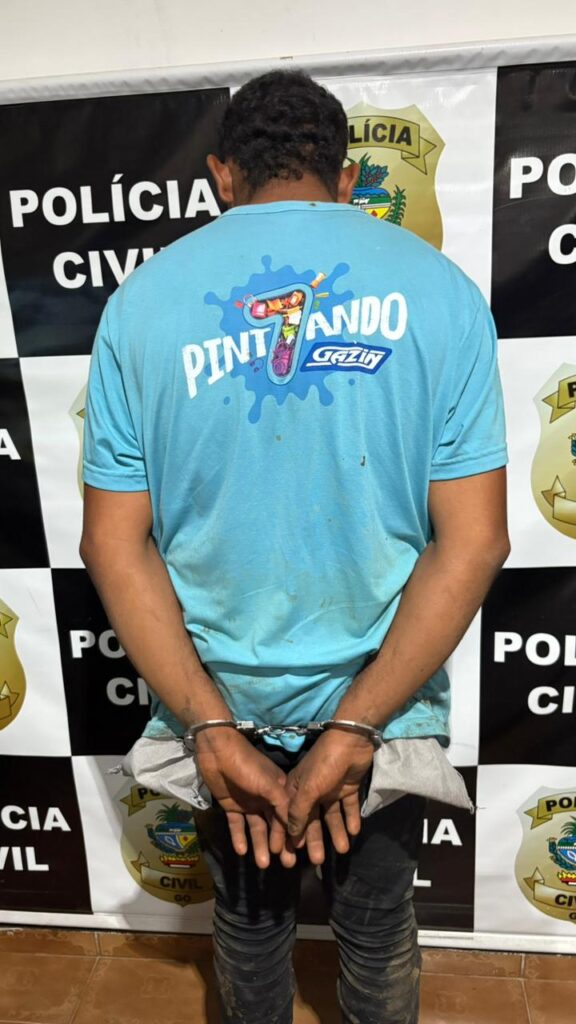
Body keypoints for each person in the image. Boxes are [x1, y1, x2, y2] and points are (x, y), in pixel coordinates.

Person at [81, 70, 509, 1024]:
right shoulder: (443, 293)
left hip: (219, 709)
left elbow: (112, 545)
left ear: (221, 176)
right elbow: (477, 541)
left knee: (248, 927)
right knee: (377, 929)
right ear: (348, 177)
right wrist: (356, 729)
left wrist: (209, 728)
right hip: (384, 706)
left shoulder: (139, 306)